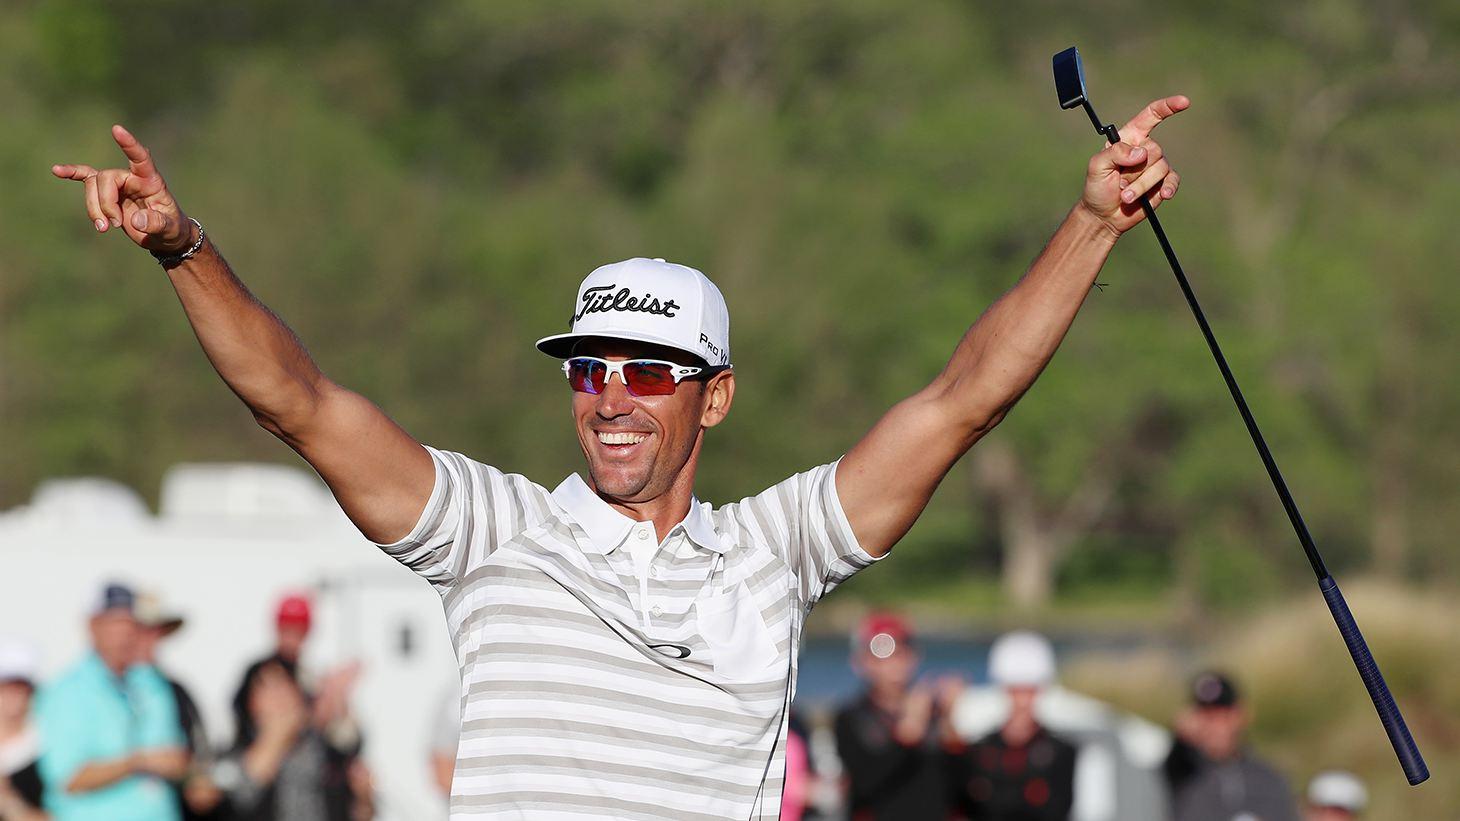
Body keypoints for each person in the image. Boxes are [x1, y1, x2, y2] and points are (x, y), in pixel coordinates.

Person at [51, 91, 1186, 818]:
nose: (610, 398)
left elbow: (959, 404)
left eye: (648, 372)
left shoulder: (772, 549)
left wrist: (1089, 225)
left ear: (714, 398)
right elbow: (295, 402)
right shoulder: (492, 528)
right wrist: (184, 248)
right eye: (589, 367)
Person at [33, 583, 187, 821]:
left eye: (132, 624)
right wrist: (138, 762)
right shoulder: (69, 691)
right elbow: (67, 778)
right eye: (116, 623)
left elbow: (174, 754)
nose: (126, 633)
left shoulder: (151, 683)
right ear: (93, 625)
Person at [834, 613, 960, 820]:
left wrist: (949, 725)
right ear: (860, 663)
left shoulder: (934, 712)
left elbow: (963, 787)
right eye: (881, 659)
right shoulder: (851, 718)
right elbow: (865, 782)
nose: (893, 666)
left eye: (900, 655)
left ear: (915, 657)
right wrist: (907, 734)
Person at [214, 663, 372, 821]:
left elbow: (360, 809)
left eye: (285, 684)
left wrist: (363, 798)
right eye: (268, 688)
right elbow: (238, 794)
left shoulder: (325, 750)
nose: (279, 695)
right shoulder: (231, 759)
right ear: (251, 703)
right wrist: (277, 735)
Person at [949, 631, 1077, 821]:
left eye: (1030, 692)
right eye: (1016, 692)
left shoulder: (1060, 752)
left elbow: (1055, 809)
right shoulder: (980, 751)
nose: (1023, 703)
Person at [1163, 671, 1298, 821]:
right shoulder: (1181, 773)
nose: (1213, 726)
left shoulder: (1270, 779)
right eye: (1206, 715)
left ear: (1241, 714)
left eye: (1221, 715)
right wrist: (1179, 740)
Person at [134, 594, 222, 820]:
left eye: (155, 631)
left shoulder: (174, 691)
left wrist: (197, 780)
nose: (148, 638)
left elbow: (200, 754)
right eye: (141, 630)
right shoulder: (104, 691)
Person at [0, 638, 47, 821]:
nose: (13, 696)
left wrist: (10, 802)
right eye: (5, 688)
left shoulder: (44, 745)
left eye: (20, 688)